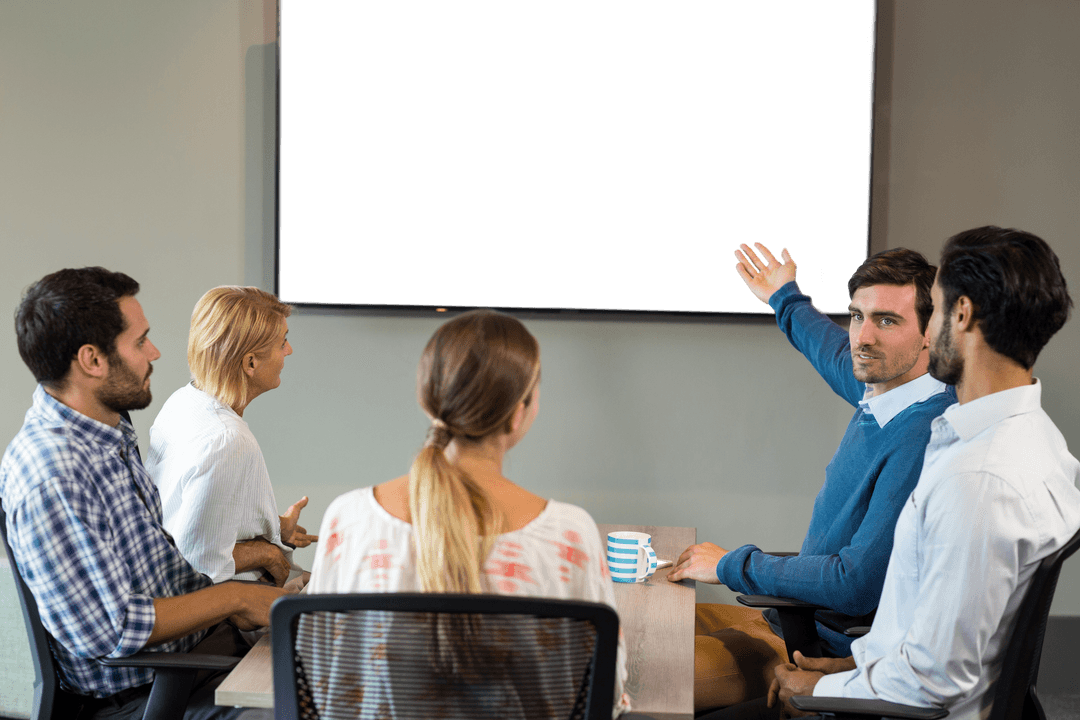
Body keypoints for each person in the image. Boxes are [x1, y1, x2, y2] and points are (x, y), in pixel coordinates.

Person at [748, 227, 1080, 720]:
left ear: (961, 315)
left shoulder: (977, 481)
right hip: (895, 683)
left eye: (937, 310)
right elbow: (945, 639)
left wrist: (818, 690)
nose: (927, 333)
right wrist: (848, 667)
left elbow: (932, 682)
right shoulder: (1038, 443)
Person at [668, 245, 956, 711]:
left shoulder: (922, 436)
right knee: (645, 623)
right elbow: (829, 348)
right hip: (788, 620)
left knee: (634, 665)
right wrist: (785, 296)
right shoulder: (883, 390)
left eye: (887, 321)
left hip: (819, 652)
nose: (863, 337)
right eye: (857, 316)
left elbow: (854, 584)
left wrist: (730, 565)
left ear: (931, 334)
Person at [307, 308, 631, 717]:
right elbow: (604, 692)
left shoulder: (349, 520)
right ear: (518, 413)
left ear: (430, 404)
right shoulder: (568, 535)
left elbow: (320, 678)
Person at [0, 267, 283, 719]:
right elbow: (113, 629)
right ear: (92, 360)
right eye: (140, 341)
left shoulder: (109, 432)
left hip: (195, 655)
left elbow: (164, 567)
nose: (155, 351)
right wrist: (236, 597)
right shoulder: (55, 473)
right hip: (152, 693)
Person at [146, 286, 315, 589]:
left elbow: (187, 515)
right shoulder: (227, 440)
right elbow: (197, 561)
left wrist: (273, 529)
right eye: (283, 342)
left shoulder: (183, 401)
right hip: (231, 617)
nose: (288, 351)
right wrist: (266, 551)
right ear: (251, 363)